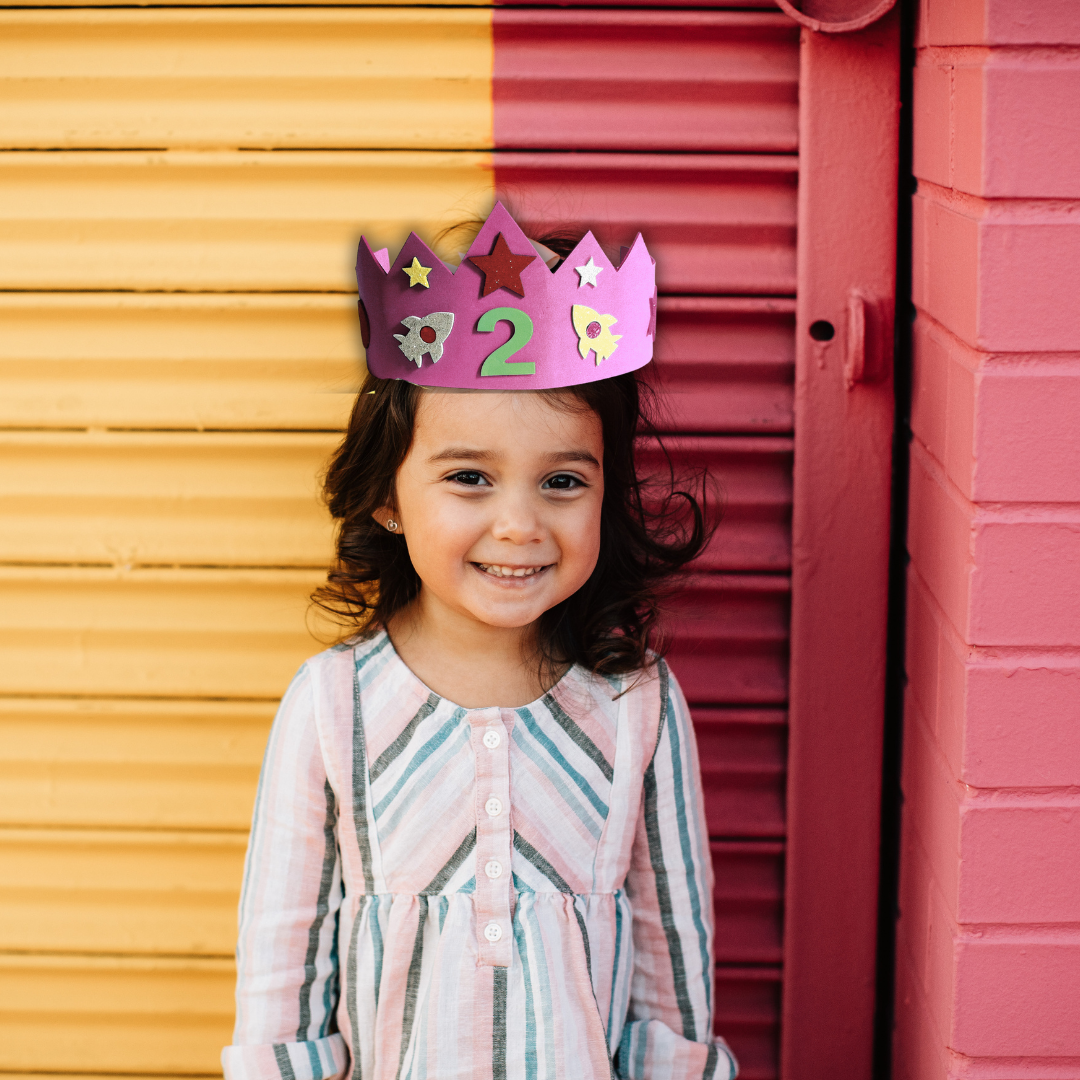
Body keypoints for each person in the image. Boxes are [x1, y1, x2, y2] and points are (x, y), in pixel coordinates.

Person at [221, 203, 738, 1080]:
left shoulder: (637, 704)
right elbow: (282, 970)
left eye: (561, 482)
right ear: (387, 496)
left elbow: (672, 966)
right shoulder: (335, 706)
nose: (519, 525)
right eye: (469, 477)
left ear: (605, 499)